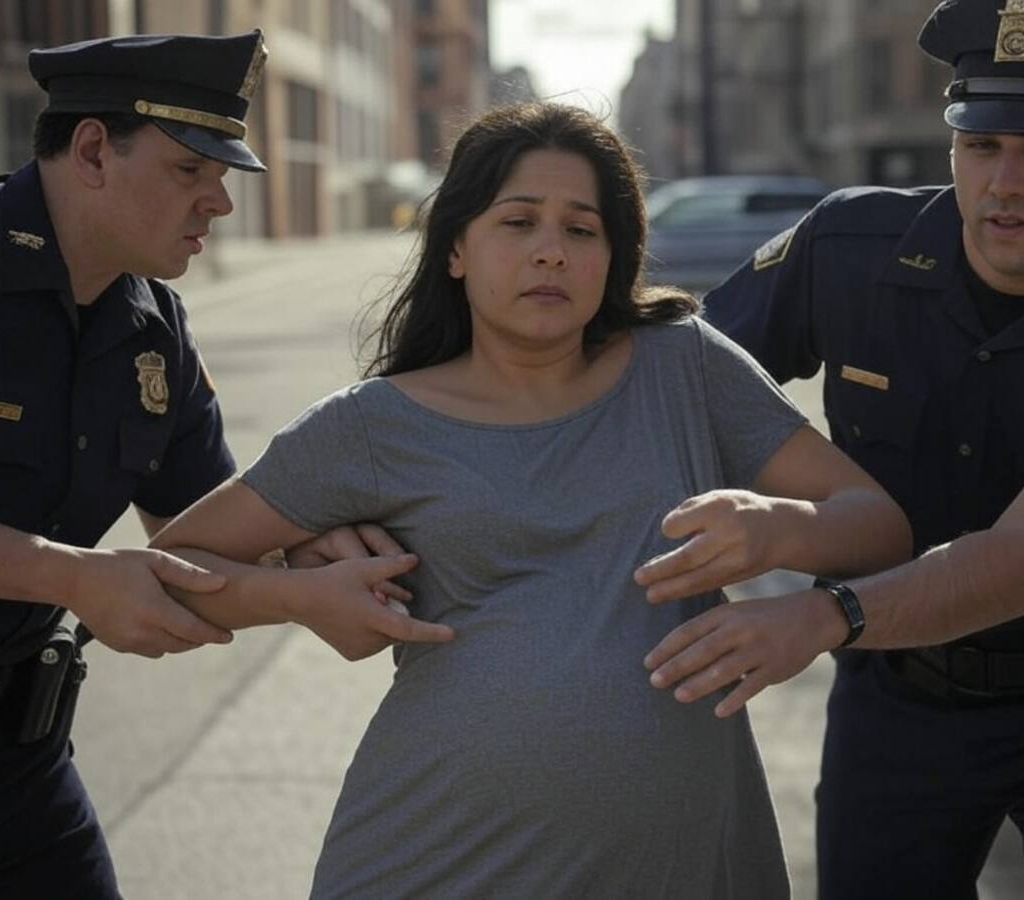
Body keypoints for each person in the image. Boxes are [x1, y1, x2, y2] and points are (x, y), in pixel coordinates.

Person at [148, 101, 912, 898]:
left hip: (679, 864)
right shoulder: (371, 425)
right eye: (518, 223)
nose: (552, 252)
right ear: (455, 250)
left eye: (582, 230)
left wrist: (779, 530)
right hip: (435, 860)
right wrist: (301, 593)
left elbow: (881, 528)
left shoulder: (683, 366)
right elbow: (166, 569)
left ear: (615, 257)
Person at [638, 1, 1024, 897]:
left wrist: (819, 616)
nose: (1003, 182)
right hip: (901, 700)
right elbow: (665, 390)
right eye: (980, 145)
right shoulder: (847, 247)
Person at [0, 30, 405, 899]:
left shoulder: (152, 328)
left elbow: (202, 540)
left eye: (224, 175)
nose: (221, 203)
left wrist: (308, 571)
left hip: (17, 762)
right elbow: (98, 577)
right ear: (93, 149)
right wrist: (76, 578)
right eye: (189, 171)